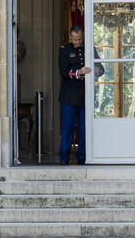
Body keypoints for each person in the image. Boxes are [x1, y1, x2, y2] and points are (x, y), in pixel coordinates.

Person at [57, 25, 102, 165]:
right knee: (68, 127)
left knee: (84, 126)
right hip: (69, 94)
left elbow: (102, 68)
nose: (77, 42)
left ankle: (82, 156)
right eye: (75, 39)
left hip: (85, 94)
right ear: (71, 37)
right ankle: (64, 156)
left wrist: (97, 69)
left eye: (80, 39)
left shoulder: (89, 48)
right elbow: (63, 71)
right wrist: (79, 71)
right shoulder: (64, 50)